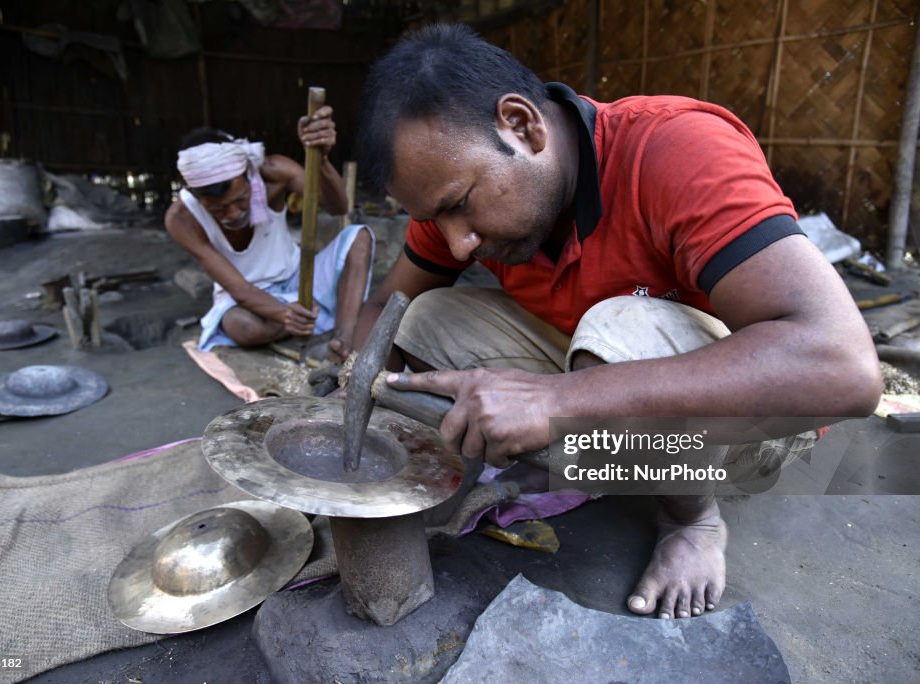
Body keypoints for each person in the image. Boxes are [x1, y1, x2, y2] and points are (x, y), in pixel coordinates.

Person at [350, 24, 882, 620]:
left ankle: (692, 520)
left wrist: (561, 399)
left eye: (458, 207)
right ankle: (576, 450)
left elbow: (846, 369)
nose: (459, 243)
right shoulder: (453, 183)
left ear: (522, 126)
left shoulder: (677, 149)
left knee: (620, 329)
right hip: (597, 365)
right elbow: (386, 310)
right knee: (425, 318)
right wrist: (350, 375)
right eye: (436, 217)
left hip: (756, 415)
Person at [166, 106, 374, 361]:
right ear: (196, 197)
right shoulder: (182, 219)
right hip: (245, 299)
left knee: (359, 237)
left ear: (248, 175)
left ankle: (342, 341)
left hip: (298, 278)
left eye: (242, 199)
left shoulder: (274, 173)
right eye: (218, 209)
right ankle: (310, 319)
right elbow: (239, 289)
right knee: (244, 327)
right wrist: (284, 313)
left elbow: (338, 207)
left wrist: (320, 161)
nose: (233, 214)